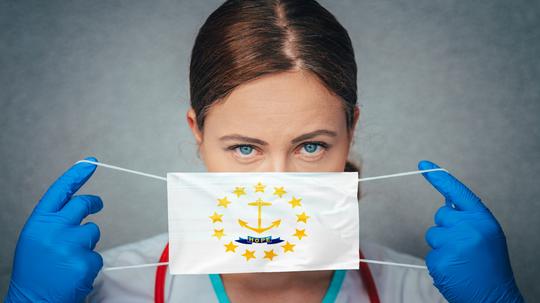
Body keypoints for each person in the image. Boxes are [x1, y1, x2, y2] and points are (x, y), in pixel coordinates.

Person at [4, 0, 524, 302]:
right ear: (198, 135)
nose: (277, 184)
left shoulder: (426, 292)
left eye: (312, 146)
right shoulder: (106, 289)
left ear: (351, 131)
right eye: (246, 148)